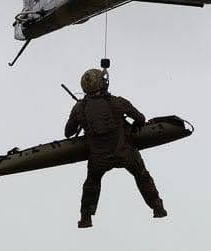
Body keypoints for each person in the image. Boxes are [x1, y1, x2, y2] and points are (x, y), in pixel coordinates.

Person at [65, 67, 167, 228]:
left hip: (98, 159)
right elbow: (140, 118)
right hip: (125, 153)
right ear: (103, 83)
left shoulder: (79, 108)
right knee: (141, 175)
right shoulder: (118, 102)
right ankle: (157, 207)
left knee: (92, 183)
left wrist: (79, 115)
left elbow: (68, 133)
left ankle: (86, 218)